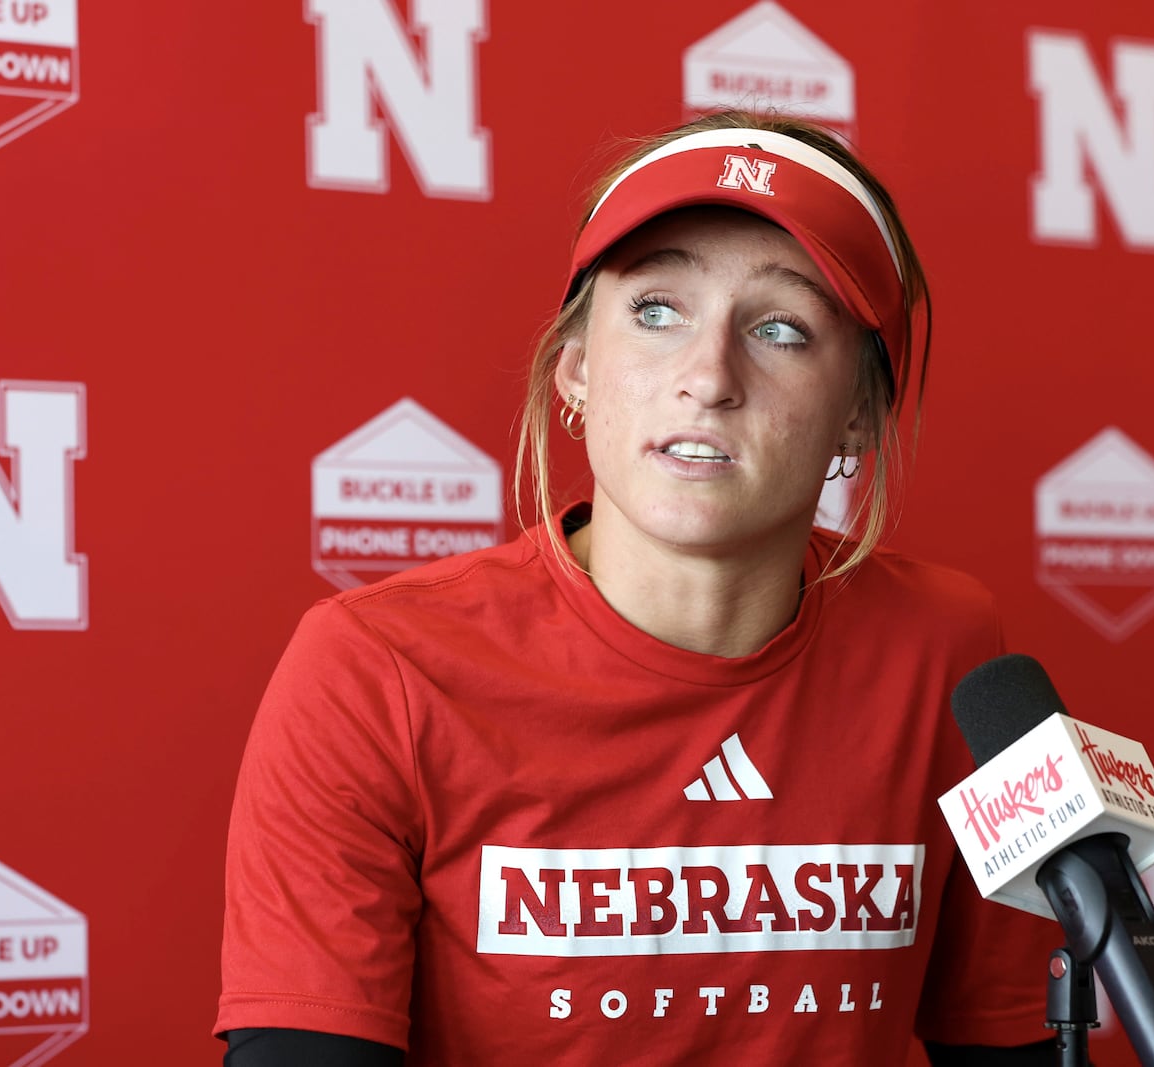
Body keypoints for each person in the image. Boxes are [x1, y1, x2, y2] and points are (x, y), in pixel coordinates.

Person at [216, 110, 1059, 1065]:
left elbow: (1009, 1043)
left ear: (861, 413)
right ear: (577, 369)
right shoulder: (374, 671)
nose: (707, 377)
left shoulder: (951, 656)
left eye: (781, 327)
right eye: (657, 310)